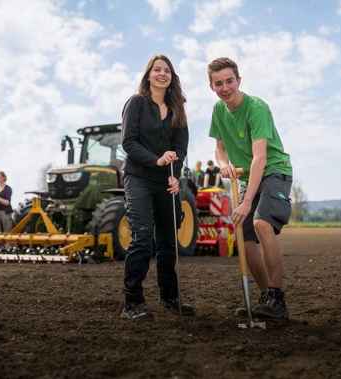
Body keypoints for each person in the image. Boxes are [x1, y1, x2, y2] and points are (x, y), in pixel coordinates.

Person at [208, 57, 293, 320]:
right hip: (248, 177)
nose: (225, 88)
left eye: (229, 81)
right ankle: (266, 296)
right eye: (218, 83)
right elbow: (220, 147)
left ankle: (278, 299)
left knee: (261, 224)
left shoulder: (256, 107)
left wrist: (246, 203)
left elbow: (260, 158)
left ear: (239, 80)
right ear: (212, 86)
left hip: (274, 171)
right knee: (244, 239)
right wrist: (224, 165)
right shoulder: (218, 111)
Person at [121, 54, 194, 320]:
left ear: (172, 77)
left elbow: (181, 148)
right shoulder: (137, 103)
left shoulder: (177, 110)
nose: (162, 74)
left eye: (167, 71)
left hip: (166, 181)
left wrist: (175, 175)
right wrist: (156, 160)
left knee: (168, 241)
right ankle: (132, 302)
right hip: (138, 177)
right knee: (141, 237)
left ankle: (170, 297)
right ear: (148, 75)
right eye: (157, 69)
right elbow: (128, 143)